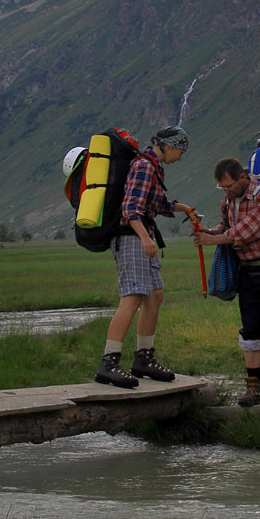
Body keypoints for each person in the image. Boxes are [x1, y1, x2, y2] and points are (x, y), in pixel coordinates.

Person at [94, 125, 197, 388]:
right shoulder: (144, 166)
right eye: (180, 152)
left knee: (155, 295)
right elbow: (131, 209)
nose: (180, 157)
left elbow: (157, 203)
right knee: (132, 298)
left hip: (140, 236)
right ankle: (109, 362)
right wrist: (145, 238)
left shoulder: (154, 166)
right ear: (169, 146)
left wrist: (183, 207)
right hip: (132, 238)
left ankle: (143, 358)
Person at [192, 157, 260, 408]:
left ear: (242, 177)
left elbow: (249, 230)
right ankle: (253, 389)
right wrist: (210, 232)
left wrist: (215, 241)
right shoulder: (229, 199)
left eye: (228, 186)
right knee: (250, 332)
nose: (226, 192)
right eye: (222, 188)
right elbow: (227, 227)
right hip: (248, 272)